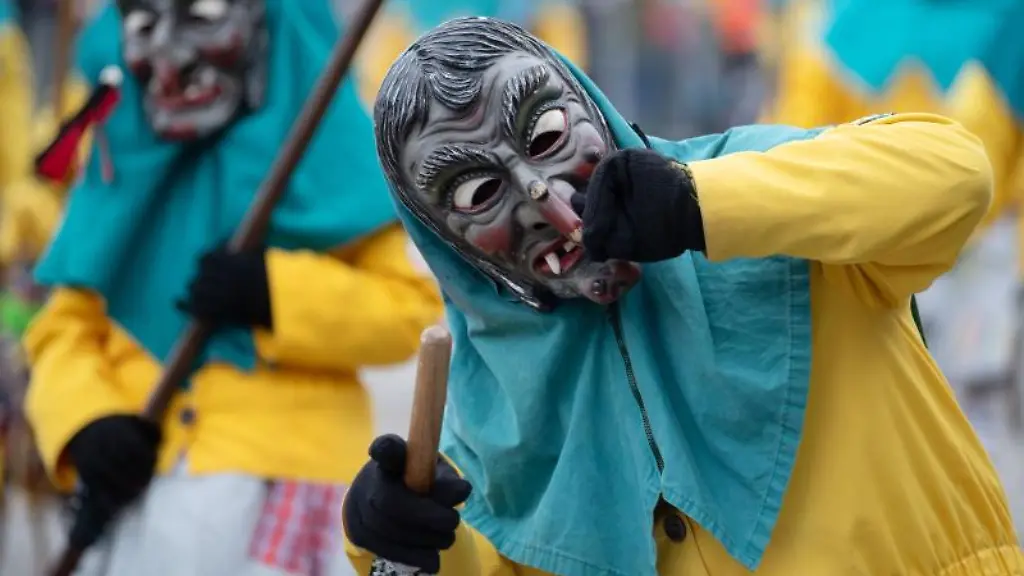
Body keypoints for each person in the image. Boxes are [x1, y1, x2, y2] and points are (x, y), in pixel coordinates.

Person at [341, 16, 1024, 576]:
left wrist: (704, 206)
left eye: (547, 136)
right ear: (448, 245)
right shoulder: (485, 408)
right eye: (478, 192)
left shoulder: (755, 183)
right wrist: (408, 545)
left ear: (588, 102)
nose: (544, 198)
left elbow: (957, 175)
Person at [22, 1, 442, 575]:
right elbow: (62, 325)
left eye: (201, 15)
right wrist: (87, 422)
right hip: (140, 490)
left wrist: (276, 292)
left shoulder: (325, 149)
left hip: (290, 482)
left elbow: (407, 310)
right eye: (144, 25)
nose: (167, 52)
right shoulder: (122, 156)